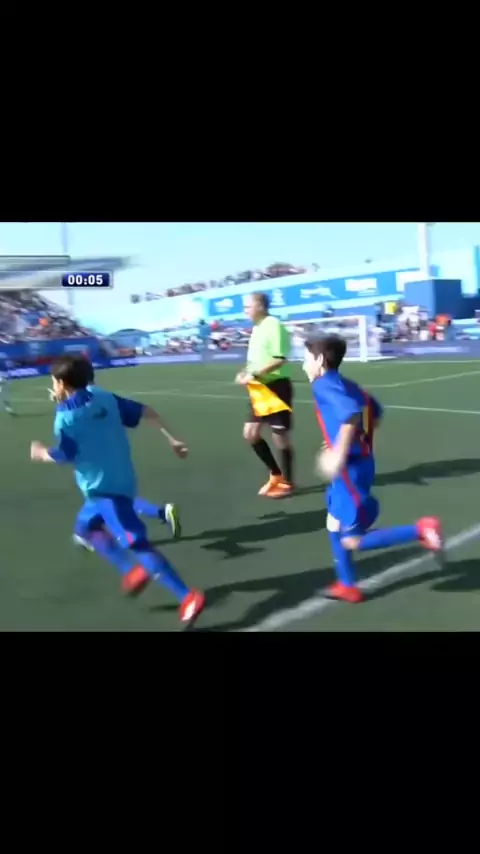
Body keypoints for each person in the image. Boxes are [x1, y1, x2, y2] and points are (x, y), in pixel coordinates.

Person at [31, 355, 205, 629]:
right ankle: (132, 572)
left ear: (61, 383)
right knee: (85, 529)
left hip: (105, 492)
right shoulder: (104, 397)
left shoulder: (65, 418)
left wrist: (42, 453)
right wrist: (172, 439)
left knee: (137, 544)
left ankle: (187, 596)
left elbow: (66, 455)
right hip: (121, 480)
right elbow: (145, 410)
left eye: (54, 381)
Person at [303, 334, 444, 603]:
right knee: (333, 522)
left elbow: (350, 414)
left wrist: (338, 452)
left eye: (306, 358)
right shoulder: (347, 384)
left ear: (320, 360)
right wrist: (353, 441)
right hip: (361, 463)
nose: (303, 364)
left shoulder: (322, 385)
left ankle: (421, 530)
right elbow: (374, 411)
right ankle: (347, 584)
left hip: (348, 471)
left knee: (351, 540)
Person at [235, 292, 294, 498]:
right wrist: (245, 372)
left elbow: (279, 358)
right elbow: (255, 361)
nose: (245, 310)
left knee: (280, 436)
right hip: (259, 388)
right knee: (250, 434)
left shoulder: (273, 325)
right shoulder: (256, 328)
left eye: (247, 306)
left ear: (260, 306)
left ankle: (288, 482)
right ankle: (275, 474)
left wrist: (254, 374)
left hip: (276, 387)